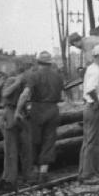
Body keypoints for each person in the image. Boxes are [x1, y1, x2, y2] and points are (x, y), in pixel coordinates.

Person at [17, 51, 64, 184]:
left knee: (34, 141)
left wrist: (18, 110)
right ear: (50, 62)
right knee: (49, 140)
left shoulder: (34, 75)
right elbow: (62, 92)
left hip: (38, 109)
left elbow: (25, 94)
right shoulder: (58, 76)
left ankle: (35, 173)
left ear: (38, 62)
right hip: (53, 109)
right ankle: (44, 173)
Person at [0, 63, 34, 190]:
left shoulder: (28, 83)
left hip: (23, 114)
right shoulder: (12, 80)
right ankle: (9, 180)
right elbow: (5, 93)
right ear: (24, 71)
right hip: (10, 112)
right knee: (11, 149)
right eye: (29, 71)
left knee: (26, 148)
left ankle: (27, 178)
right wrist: (17, 83)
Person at [78, 45, 99, 185]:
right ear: (98, 56)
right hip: (95, 107)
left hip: (92, 106)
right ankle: (89, 175)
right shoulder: (95, 71)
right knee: (94, 142)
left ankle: (85, 172)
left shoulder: (94, 69)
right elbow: (91, 89)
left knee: (89, 141)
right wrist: (97, 102)